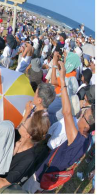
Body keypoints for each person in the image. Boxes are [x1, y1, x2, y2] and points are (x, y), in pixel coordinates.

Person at [24, 62, 94, 193]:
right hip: (54, 175)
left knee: (29, 189)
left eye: (84, 114)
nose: (81, 114)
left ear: (87, 124)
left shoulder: (78, 139)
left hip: (44, 173)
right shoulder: (88, 138)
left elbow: (67, 113)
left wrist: (63, 81)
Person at [0, 106, 50, 193]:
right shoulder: (13, 134)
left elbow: (6, 184)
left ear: (28, 135)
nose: (21, 124)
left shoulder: (29, 158)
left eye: (24, 124)